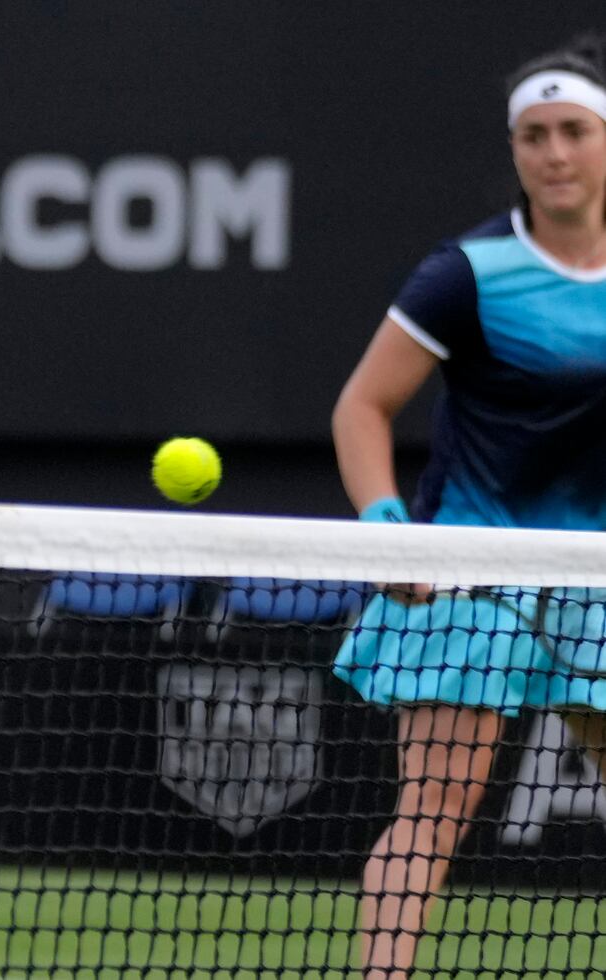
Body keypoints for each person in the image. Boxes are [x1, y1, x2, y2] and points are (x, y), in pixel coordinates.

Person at [330, 34, 606, 980]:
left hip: (597, 574)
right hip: (470, 577)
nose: (554, 152)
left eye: (574, 130)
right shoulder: (468, 273)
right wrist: (385, 535)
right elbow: (362, 407)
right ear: (515, 149)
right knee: (433, 814)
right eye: (533, 135)